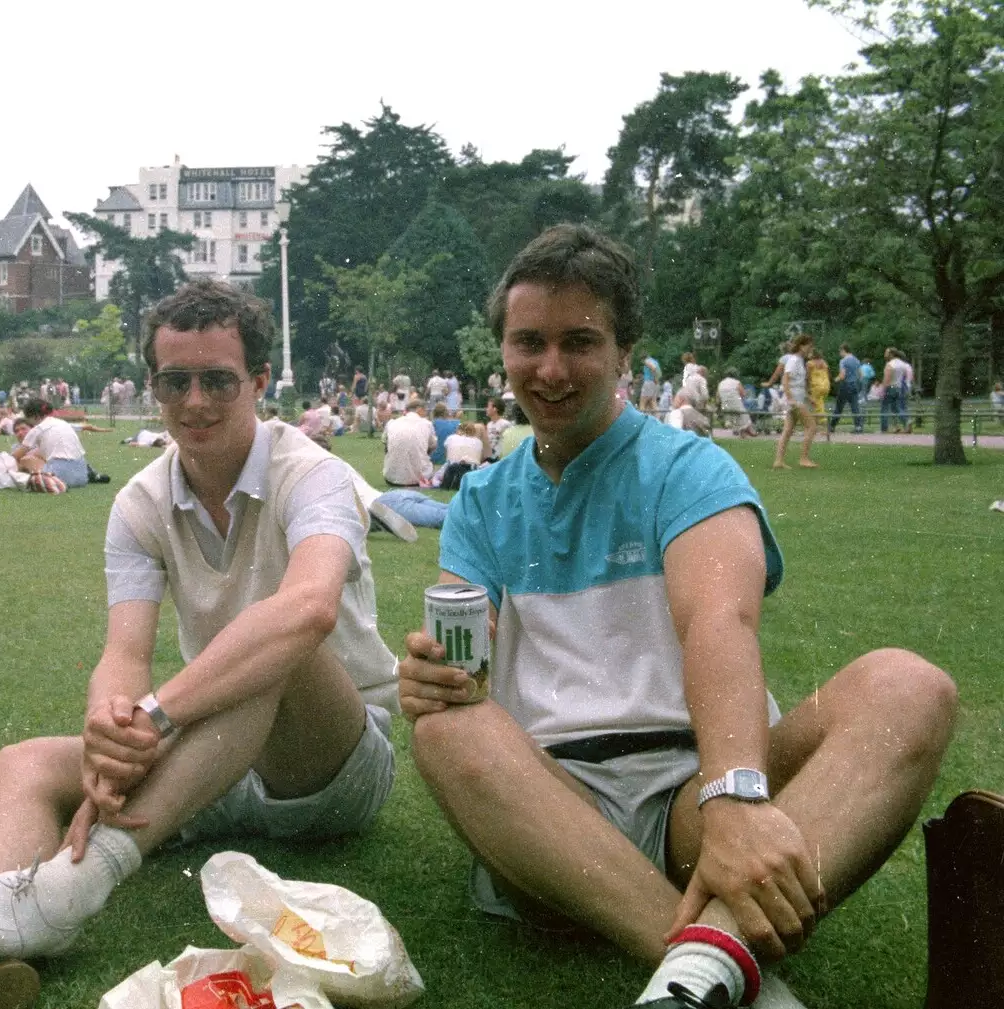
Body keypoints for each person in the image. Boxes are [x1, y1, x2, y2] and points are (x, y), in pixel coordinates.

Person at [0, 279, 399, 1009]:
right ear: (152, 386)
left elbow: (308, 610)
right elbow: (123, 653)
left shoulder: (314, 473)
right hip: (218, 756)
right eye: (176, 381)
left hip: (330, 761)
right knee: (23, 764)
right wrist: (110, 732)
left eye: (218, 381)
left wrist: (154, 719)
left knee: (274, 641)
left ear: (260, 382)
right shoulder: (140, 501)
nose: (195, 401)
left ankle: (80, 882)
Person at [400, 224, 955, 1009]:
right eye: (529, 342)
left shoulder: (689, 469)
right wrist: (433, 674)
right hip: (556, 805)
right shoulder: (484, 501)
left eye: (580, 341)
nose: (551, 368)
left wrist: (731, 799)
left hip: (692, 791)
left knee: (908, 686)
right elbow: (466, 657)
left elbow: (717, 624)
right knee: (445, 729)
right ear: (504, 349)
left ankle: (692, 974)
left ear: (626, 350)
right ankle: (713, 963)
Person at [765, 333, 817, 469]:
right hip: (794, 400)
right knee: (811, 426)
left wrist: (808, 398)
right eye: (809, 346)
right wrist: (791, 399)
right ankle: (804, 458)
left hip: (797, 398)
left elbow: (797, 383)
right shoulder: (794, 360)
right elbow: (785, 379)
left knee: (787, 430)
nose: (811, 349)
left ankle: (778, 461)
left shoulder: (799, 360)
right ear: (802, 346)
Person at [12, 397, 90, 487]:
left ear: (33, 416)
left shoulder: (37, 429)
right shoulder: (62, 423)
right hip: (82, 477)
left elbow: (15, 456)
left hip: (61, 478)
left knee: (25, 460)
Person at [382, 397, 436, 486]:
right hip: (419, 480)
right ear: (419, 409)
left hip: (391, 478)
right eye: (425, 410)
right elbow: (433, 446)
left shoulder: (392, 423)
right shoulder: (427, 424)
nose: (426, 413)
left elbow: (385, 442)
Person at [829, 345, 863, 434]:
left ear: (843, 350)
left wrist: (833, 381)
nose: (840, 354)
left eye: (840, 352)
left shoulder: (843, 361)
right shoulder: (857, 360)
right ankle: (858, 427)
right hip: (855, 385)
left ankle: (832, 426)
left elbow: (842, 375)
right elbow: (861, 375)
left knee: (839, 407)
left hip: (845, 385)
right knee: (855, 407)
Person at [881, 347, 913, 434]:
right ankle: (906, 421)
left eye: (886, 353)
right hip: (898, 387)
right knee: (897, 408)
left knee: (884, 408)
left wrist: (883, 390)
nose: (885, 354)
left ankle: (884, 428)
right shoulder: (902, 364)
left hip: (890, 387)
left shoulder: (890, 364)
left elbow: (886, 379)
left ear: (891, 354)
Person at [715, 370, 756, 438]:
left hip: (725, 407)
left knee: (739, 416)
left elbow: (717, 397)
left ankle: (744, 433)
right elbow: (743, 394)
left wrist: (718, 406)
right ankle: (749, 431)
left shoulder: (721, 383)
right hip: (736, 406)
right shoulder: (736, 382)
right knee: (744, 414)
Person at [428, 402, 460, 466]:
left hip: (434, 458)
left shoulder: (431, 424)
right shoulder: (456, 423)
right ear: (446, 412)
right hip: (452, 458)